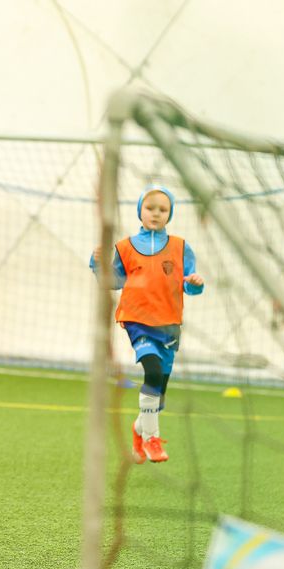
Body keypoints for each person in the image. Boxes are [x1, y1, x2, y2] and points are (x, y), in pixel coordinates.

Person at [91, 185, 205, 464]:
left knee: (159, 395)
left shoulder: (181, 247)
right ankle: (152, 439)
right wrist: (98, 266)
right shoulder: (125, 247)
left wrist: (195, 284)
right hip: (137, 322)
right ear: (140, 211)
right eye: (150, 208)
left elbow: (188, 284)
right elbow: (114, 282)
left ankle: (139, 429)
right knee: (152, 372)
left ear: (170, 214)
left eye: (162, 209)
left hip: (169, 325)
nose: (156, 213)